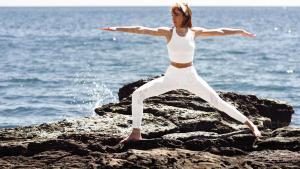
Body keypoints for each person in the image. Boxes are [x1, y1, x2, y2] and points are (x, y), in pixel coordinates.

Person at [98, 1, 262, 144]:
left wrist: (239, 31)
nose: (173, 18)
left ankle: (250, 124)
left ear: (185, 16)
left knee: (216, 101)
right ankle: (136, 133)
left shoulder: (194, 32)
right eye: (172, 15)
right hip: (171, 76)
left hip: (191, 76)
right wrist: (115, 28)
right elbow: (140, 29)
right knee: (137, 95)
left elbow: (219, 31)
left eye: (176, 14)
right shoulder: (168, 32)